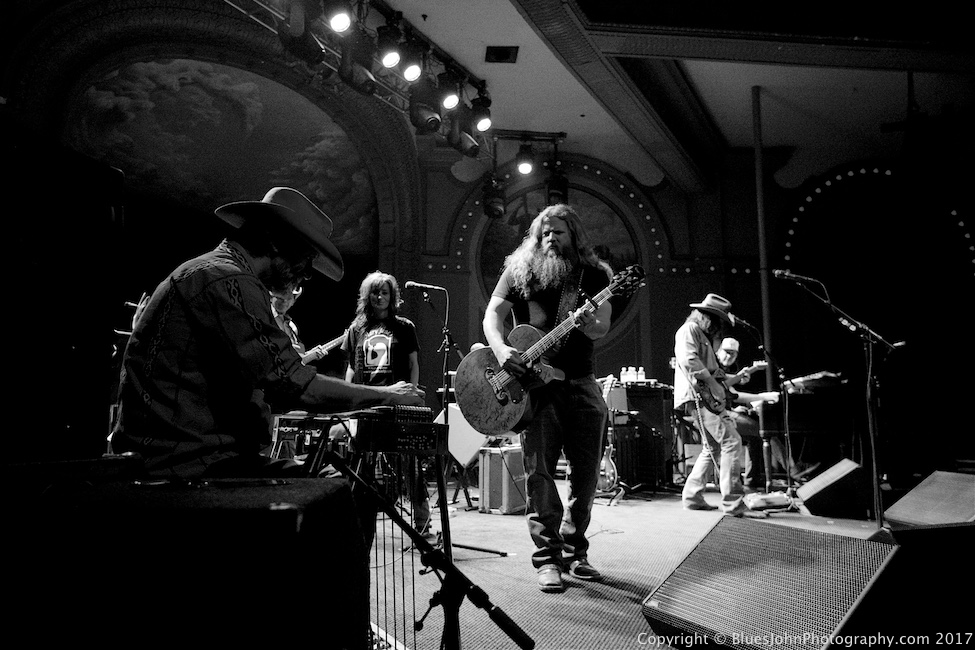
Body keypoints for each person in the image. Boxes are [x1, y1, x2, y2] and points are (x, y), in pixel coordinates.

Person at [111, 187, 424, 479]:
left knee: (332, 480)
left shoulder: (218, 273)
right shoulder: (228, 281)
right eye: (306, 256)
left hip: (195, 456)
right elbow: (292, 384)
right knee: (338, 488)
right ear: (276, 241)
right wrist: (387, 394)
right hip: (187, 465)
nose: (307, 272)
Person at [482, 203, 612, 593]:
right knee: (539, 473)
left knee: (587, 475)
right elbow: (493, 314)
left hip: (581, 383)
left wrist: (590, 324)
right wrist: (502, 349)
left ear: (574, 235)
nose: (551, 238)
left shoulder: (595, 275)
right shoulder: (520, 271)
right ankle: (548, 558)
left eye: (559, 231)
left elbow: (601, 326)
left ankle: (576, 551)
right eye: (544, 232)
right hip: (536, 389)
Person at [338, 271, 432, 537]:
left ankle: (422, 524)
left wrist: (411, 394)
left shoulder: (404, 327)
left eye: (385, 292)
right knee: (362, 465)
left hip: (397, 404)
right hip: (367, 405)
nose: (379, 297)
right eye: (375, 292)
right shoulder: (357, 328)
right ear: (367, 296)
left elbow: (414, 364)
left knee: (409, 465)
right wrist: (350, 397)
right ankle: (358, 523)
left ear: (392, 297)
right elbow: (350, 369)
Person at [673, 293, 747, 515]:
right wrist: (714, 383)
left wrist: (724, 378)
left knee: (712, 447)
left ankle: (692, 496)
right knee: (732, 441)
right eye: (718, 321)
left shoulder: (701, 335)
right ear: (708, 317)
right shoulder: (689, 330)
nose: (719, 327)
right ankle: (733, 502)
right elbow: (689, 360)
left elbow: (710, 370)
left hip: (702, 397)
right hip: (699, 397)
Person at [715, 337, 796, 489]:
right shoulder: (715, 368)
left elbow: (731, 392)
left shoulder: (727, 370)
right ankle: (795, 472)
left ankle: (752, 479)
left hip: (725, 414)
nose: (729, 357)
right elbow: (733, 394)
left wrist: (744, 407)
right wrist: (762, 397)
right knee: (764, 432)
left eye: (733, 354)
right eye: (726, 352)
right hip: (717, 417)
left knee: (758, 436)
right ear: (718, 352)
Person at [270, 285, 329, 364]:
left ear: (293, 302)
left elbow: (300, 358)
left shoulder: (292, 327)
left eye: (289, 298)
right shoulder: (265, 319)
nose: (285, 301)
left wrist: (311, 354)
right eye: (281, 297)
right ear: (271, 298)